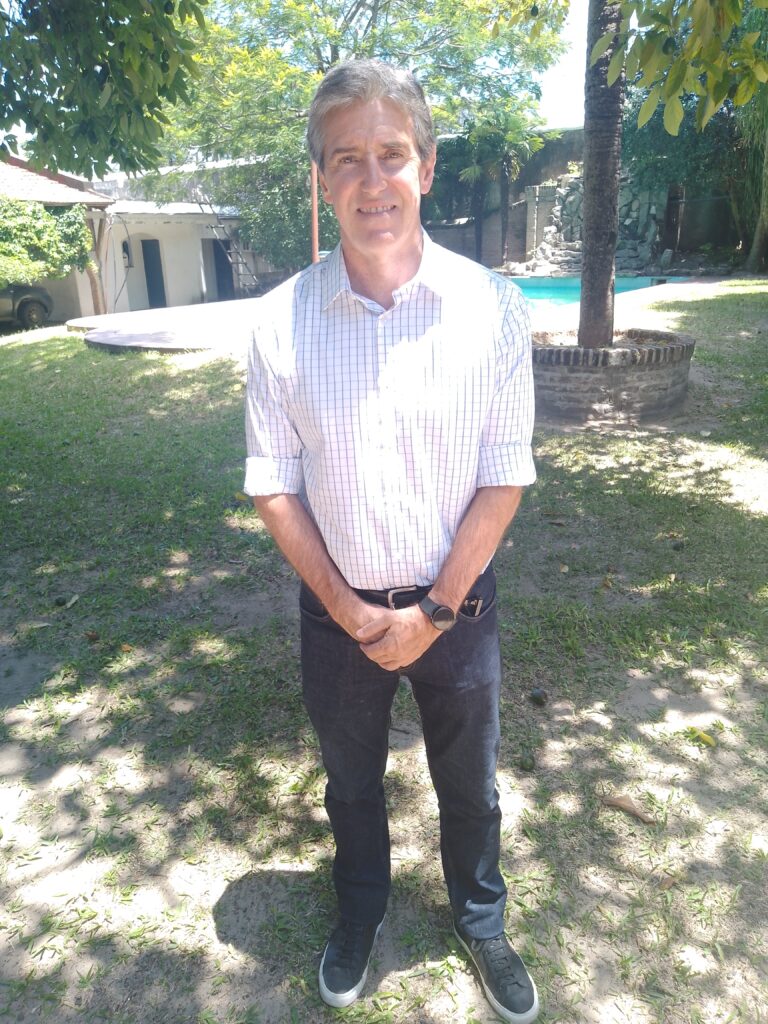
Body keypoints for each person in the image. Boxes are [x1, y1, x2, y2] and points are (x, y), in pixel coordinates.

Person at [243, 58, 538, 1024]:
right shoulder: (279, 322)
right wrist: (352, 611)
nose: (372, 180)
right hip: (339, 616)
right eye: (347, 158)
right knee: (350, 783)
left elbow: (505, 474)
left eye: (392, 154)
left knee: (470, 782)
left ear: (427, 166)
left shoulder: (494, 308)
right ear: (322, 180)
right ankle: (361, 909)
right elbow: (272, 485)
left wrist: (435, 611)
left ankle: (481, 916)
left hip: (461, 604)